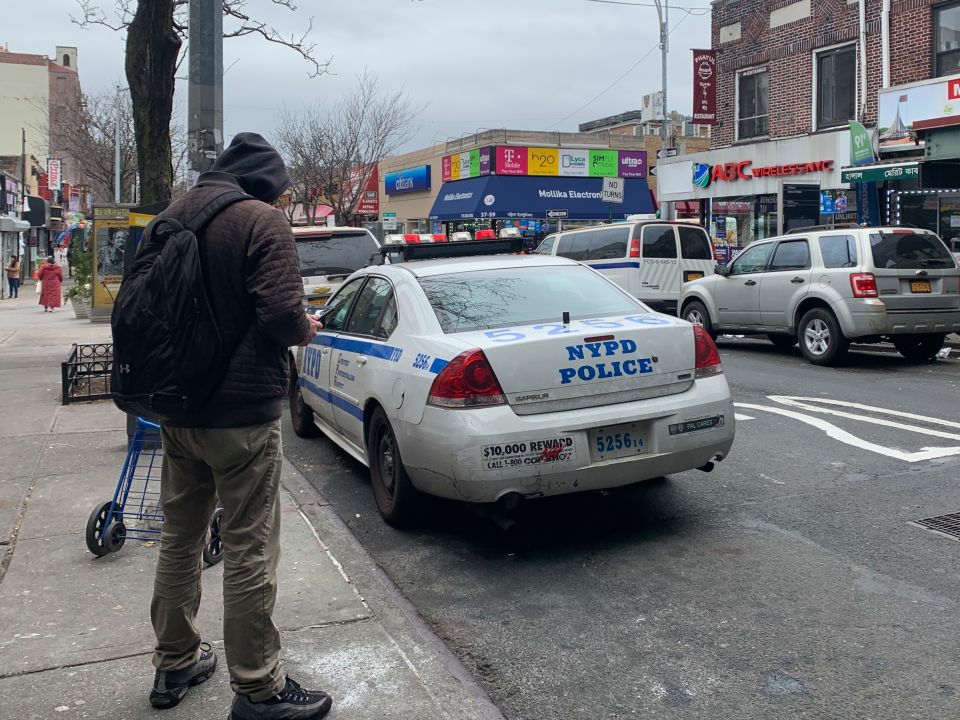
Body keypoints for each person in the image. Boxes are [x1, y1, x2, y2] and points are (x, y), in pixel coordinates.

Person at [137, 133, 330, 720]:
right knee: (249, 545)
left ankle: (175, 661)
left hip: (177, 407)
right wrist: (306, 328)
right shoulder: (260, 222)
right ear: (266, 184)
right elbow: (278, 314)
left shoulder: (170, 217)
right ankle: (259, 687)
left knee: (180, 536)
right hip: (240, 415)